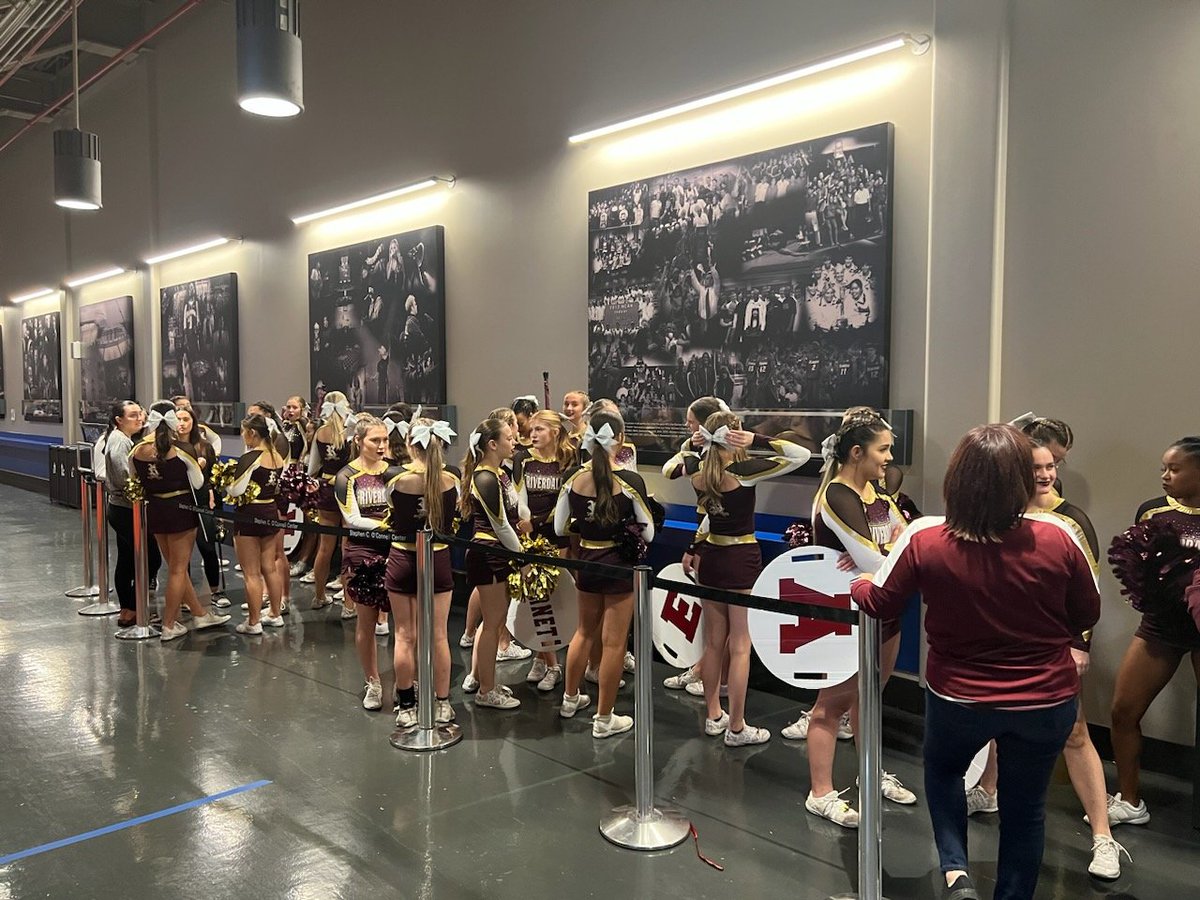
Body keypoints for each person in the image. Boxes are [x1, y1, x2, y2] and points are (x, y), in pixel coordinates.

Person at [852, 424, 1101, 900]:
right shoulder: (1059, 536)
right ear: (1021, 480)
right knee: (1026, 811)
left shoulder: (926, 538)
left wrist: (858, 584)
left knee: (943, 773)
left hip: (959, 697)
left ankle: (955, 869)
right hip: (1045, 701)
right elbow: (1087, 612)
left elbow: (879, 601)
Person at [967, 438, 1126, 878]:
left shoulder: (1072, 521)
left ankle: (1103, 837)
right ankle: (988, 788)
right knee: (1002, 720)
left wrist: (1079, 644)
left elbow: (1088, 594)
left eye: (1051, 465)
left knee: (1075, 734)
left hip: (1056, 648)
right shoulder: (998, 516)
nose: (1045, 474)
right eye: (1035, 466)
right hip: (1004, 645)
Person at [797, 410, 916, 826]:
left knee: (869, 699)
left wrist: (888, 553)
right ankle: (821, 792)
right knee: (831, 705)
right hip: (845, 616)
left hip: (882, 611)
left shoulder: (876, 497)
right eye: (882, 449)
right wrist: (889, 553)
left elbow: (905, 544)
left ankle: (871, 771)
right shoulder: (837, 495)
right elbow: (877, 558)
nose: (889, 459)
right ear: (856, 452)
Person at [691, 411, 809, 745]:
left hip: (710, 557)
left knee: (713, 643)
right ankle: (737, 727)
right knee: (740, 645)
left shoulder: (700, 474)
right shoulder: (742, 472)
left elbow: (675, 467)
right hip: (740, 559)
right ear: (735, 436)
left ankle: (715, 714)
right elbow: (799, 455)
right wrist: (758, 440)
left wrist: (693, 443)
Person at [1108, 437, 1200, 827]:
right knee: (1123, 710)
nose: (1165, 476)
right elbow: (1136, 564)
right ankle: (1130, 800)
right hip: (1161, 628)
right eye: (1163, 467)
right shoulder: (1153, 511)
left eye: (1174, 469)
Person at [555, 411, 655, 738]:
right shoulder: (630, 481)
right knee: (613, 644)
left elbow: (559, 527)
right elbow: (649, 533)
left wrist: (585, 525)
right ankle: (604, 718)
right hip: (618, 565)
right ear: (621, 439)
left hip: (585, 559)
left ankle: (570, 699)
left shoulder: (572, 477)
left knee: (583, 632)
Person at [130, 400, 230, 641]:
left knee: (174, 567)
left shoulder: (138, 450)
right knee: (178, 569)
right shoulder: (182, 450)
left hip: (156, 509)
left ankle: (199, 613)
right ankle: (169, 624)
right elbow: (197, 482)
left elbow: (133, 477)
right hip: (181, 511)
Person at [386, 417, 459, 727]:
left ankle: (406, 705)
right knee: (440, 636)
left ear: (409, 445)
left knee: (404, 636)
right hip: (438, 560)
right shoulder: (452, 480)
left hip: (403, 559)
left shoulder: (395, 479)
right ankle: (442, 703)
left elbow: (390, 510)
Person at [660, 396, 732, 695]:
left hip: (721, 535)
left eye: (691, 422)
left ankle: (717, 677)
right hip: (707, 530)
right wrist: (690, 451)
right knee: (714, 615)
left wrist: (694, 545)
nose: (687, 427)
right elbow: (669, 470)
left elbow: (719, 510)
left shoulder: (730, 458)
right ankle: (705, 668)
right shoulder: (696, 451)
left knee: (727, 619)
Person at [461, 418, 527, 709]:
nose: (514, 443)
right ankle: (485, 690)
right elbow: (500, 525)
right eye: (509, 439)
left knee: (496, 621)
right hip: (488, 552)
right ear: (492, 444)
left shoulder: (500, 473)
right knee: (491, 624)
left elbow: (515, 507)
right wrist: (523, 558)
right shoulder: (484, 477)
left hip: (499, 552)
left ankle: (485, 679)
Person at [336, 416, 402, 710]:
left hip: (398, 551)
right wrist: (387, 526)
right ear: (359, 442)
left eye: (385, 440)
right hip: (363, 551)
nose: (381, 445)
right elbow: (351, 518)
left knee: (403, 624)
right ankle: (373, 682)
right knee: (366, 620)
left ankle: (405, 681)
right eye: (375, 440)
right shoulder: (346, 476)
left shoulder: (397, 473)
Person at [513, 409, 578, 692]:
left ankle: (548, 660)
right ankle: (547, 660)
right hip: (528, 536)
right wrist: (526, 524)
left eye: (540, 429)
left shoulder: (568, 460)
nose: (533, 434)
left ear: (555, 431)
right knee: (536, 598)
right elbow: (518, 496)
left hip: (556, 535)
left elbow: (566, 502)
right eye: (532, 429)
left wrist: (537, 523)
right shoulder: (522, 459)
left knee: (552, 597)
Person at [226, 414, 286, 634]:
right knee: (269, 567)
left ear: (251, 433)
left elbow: (236, 490)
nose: (243, 436)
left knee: (251, 572)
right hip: (270, 510)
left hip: (249, 514)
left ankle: (253, 622)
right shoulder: (277, 456)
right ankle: (275, 614)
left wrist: (226, 483)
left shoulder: (251, 456)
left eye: (243, 432)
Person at [174, 404, 228, 609]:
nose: (182, 424)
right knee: (182, 553)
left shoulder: (205, 446)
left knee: (207, 546)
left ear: (193, 423)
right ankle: (184, 595)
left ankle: (215, 590)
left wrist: (213, 493)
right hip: (179, 503)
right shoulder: (170, 448)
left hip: (202, 500)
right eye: (178, 420)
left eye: (186, 419)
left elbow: (214, 475)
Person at [307, 391, 356, 615]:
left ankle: (318, 596)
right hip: (348, 490)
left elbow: (312, 468)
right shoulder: (351, 431)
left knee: (324, 547)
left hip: (326, 489)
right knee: (347, 548)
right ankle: (348, 604)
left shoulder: (320, 432)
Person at [101, 400, 144, 627]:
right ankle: (133, 607)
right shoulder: (119, 442)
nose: (139, 419)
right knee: (146, 558)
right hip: (125, 508)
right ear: (119, 420)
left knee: (127, 558)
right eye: (133, 415)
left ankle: (128, 608)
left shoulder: (125, 439)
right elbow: (123, 475)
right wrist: (138, 494)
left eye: (140, 414)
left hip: (122, 507)